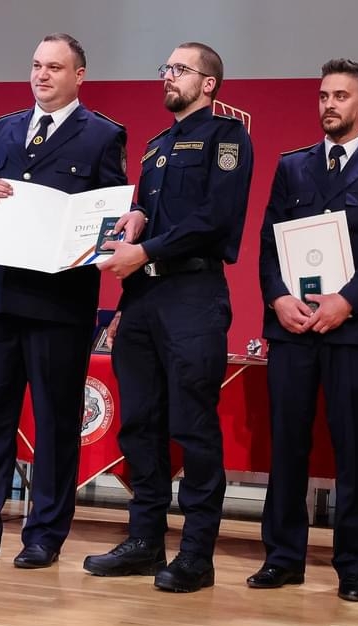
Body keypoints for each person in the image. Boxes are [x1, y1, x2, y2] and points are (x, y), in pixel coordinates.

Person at [0, 33, 141, 569]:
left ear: (79, 76)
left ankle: (44, 534)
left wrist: (104, 234)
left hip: (61, 303)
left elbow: (110, 209)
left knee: (56, 421)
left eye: (54, 67)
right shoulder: (4, 128)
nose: (41, 75)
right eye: (37, 65)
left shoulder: (103, 135)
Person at [83, 42, 254, 593]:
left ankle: (197, 555)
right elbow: (151, 220)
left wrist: (146, 250)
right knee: (140, 424)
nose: (168, 76)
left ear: (209, 83)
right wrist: (136, 216)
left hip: (193, 295)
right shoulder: (155, 146)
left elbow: (214, 218)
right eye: (166, 68)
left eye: (180, 69)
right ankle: (144, 540)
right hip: (143, 298)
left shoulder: (228, 138)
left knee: (192, 427)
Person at [246, 59, 358, 602]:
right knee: (287, 446)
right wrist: (277, 298)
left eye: (340, 96)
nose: (329, 105)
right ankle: (282, 558)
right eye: (323, 96)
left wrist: (347, 302)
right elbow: (269, 242)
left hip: (354, 331)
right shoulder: (292, 166)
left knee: (354, 451)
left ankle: (352, 567)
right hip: (293, 328)